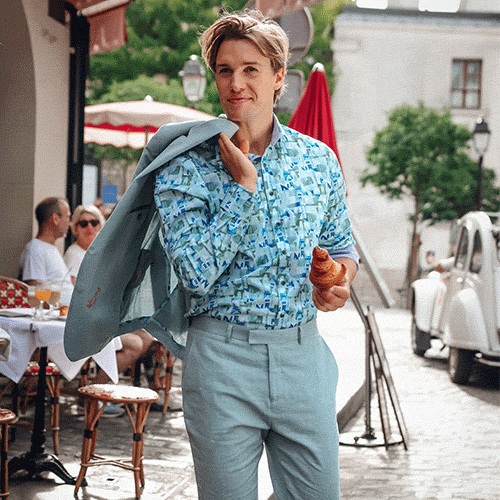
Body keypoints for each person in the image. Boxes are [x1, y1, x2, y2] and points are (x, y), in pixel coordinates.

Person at [153, 10, 358, 500]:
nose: (236, 83)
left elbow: (341, 246)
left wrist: (338, 281)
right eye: (225, 70)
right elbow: (195, 274)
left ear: (279, 77)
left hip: (304, 360)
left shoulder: (318, 161)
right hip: (221, 364)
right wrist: (244, 189)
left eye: (251, 69)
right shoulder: (185, 166)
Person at [63, 205, 155, 388]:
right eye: (83, 223)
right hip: (89, 318)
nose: (90, 228)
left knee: (147, 337)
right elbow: (77, 295)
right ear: (75, 228)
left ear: (101, 226)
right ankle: (93, 390)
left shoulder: (98, 252)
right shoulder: (74, 254)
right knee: (136, 344)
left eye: (94, 222)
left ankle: (101, 386)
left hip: (104, 314)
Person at [19, 197, 74, 305]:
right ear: (55, 219)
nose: (70, 223)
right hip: (57, 314)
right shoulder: (35, 249)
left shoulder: (50, 248)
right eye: (67, 217)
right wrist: (62, 310)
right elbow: (37, 296)